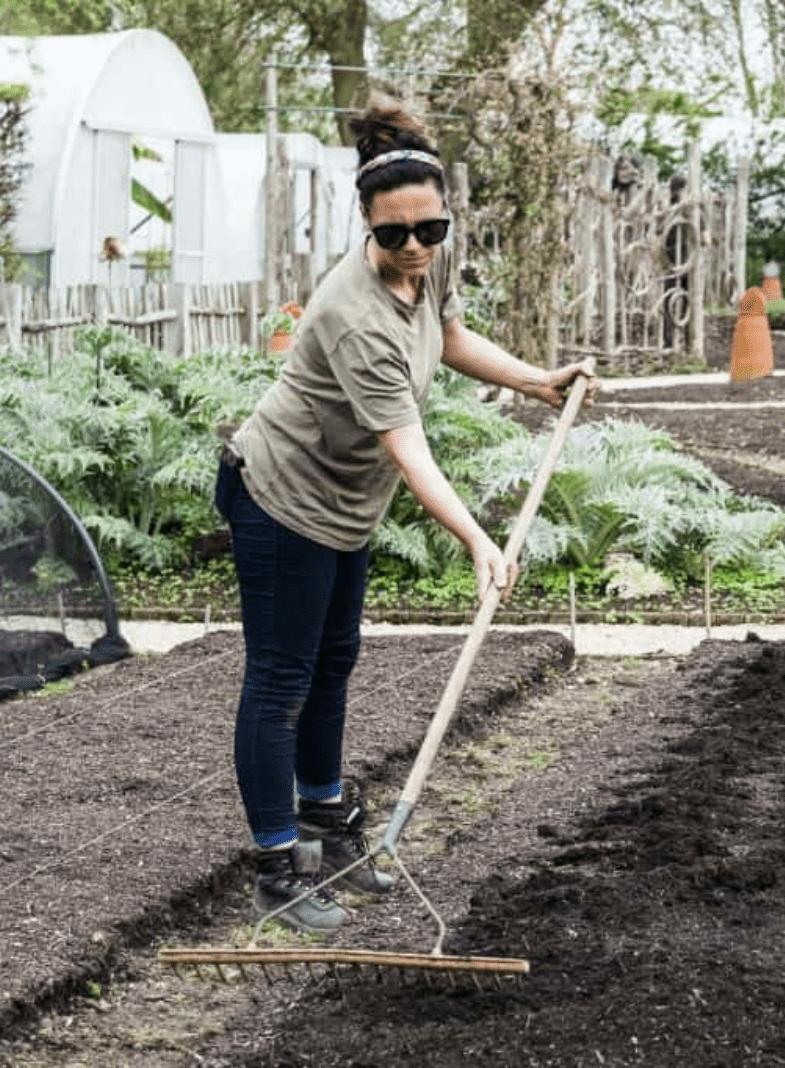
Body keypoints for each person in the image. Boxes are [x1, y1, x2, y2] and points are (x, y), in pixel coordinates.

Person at [214, 102, 598, 933]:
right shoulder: (354, 315)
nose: (416, 246)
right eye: (395, 234)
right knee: (281, 681)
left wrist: (537, 381)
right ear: (366, 223)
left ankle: (323, 824)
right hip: (282, 500)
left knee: (334, 661)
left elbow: (450, 334)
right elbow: (408, 447)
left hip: (343, 506)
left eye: (432, 227)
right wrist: (478, 540)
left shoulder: (427, 263)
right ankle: (278, 869)